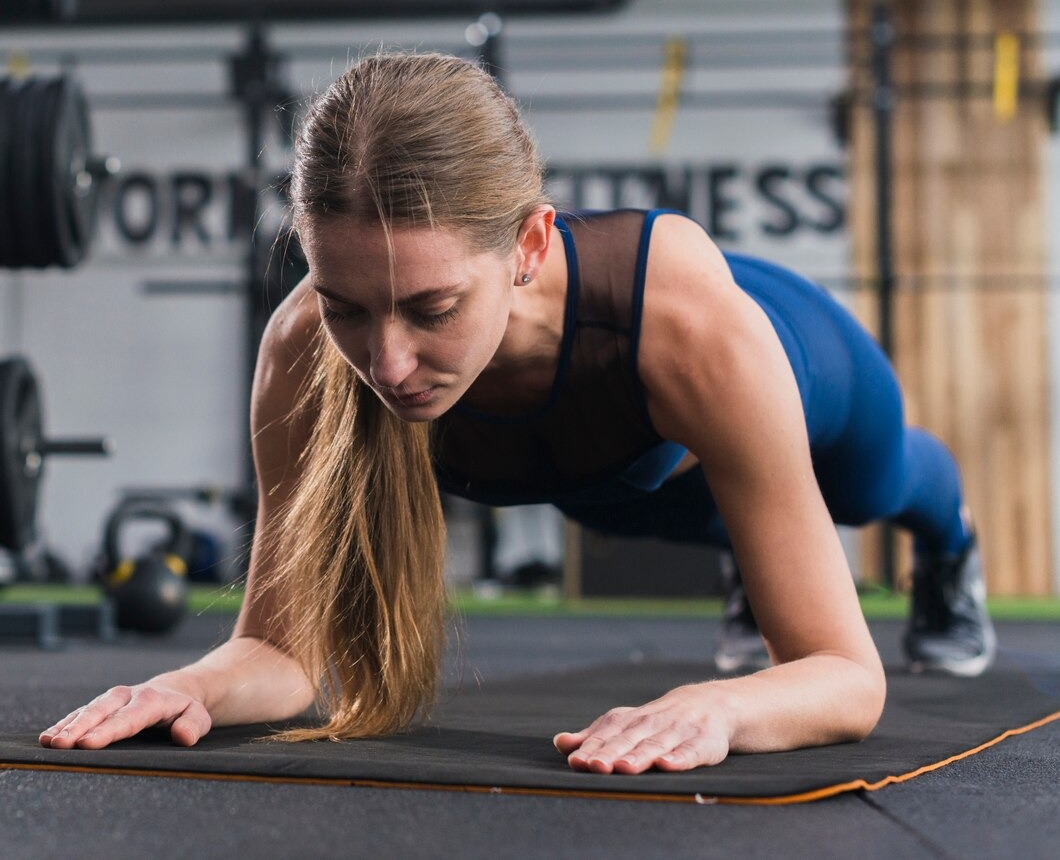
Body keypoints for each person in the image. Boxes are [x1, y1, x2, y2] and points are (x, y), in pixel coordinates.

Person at [38, 52, 994, 776]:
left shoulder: (686, 327)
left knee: (875, 488)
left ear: (531, 244)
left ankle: (951, 546)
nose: (386, 364)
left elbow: (846, 676)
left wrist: (723, 708)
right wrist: (190, 685)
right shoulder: (301, 347)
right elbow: (281, 652)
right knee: (686, 514)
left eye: (433, 308)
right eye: (347, 306)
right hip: (624, 477)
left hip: (805, 371)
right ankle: (756, 559)